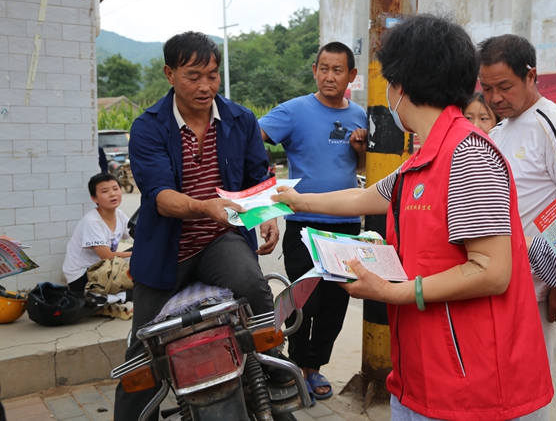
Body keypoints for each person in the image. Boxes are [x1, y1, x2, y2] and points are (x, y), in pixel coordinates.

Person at [273, 14, 553, 421]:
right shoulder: (425, 157)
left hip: (474, 386)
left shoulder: (468, 156)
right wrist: (298, 200)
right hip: (424, 373)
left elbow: (492, 270)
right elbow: (365, 197)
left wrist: (392, 293)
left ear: (400, 85)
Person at [113, 31, 284, 421]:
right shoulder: (148, 127)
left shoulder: (240, 119)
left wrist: (269, 214)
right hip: (164, 253)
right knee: (143, 349)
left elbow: (258, 176)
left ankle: (275, 369)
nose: (205, 86)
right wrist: (206, 206)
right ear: (170, 74)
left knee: (254, 286)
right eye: (194, 76)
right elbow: (159, 196)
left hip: (219, 240)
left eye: (212, 74)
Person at [479, 34, 556, 421]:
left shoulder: (553, 125)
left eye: (504, 86)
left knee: (526, 389)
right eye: (487, 88)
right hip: (498, 279)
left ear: (531, 76)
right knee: (498, 385)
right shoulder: (500, 130)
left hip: (539, 287)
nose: (494, 98)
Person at [258, 41, 367, 402]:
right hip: (303, 225)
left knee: (337, 304)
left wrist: (360, 152)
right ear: (314, 70)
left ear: (351, 75)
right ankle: (293, 363)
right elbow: (251, 140)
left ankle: (312, 368)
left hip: (348, 225)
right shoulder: (293, 111)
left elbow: (365, 170)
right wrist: (264, 191)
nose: (329, 76)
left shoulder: (360, 117)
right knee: (306, 301)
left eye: (337, 70)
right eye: (323, 68)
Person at [62, 173, 131, 294]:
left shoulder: (119, 215)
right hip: (83, 278)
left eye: (115, 188)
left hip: (105, 268)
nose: (113, 194)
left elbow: (140, 236)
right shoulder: (92, 221)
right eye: (105, 191)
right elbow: (107, 256)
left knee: (143, 255)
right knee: (138, 270)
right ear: (94, 198)